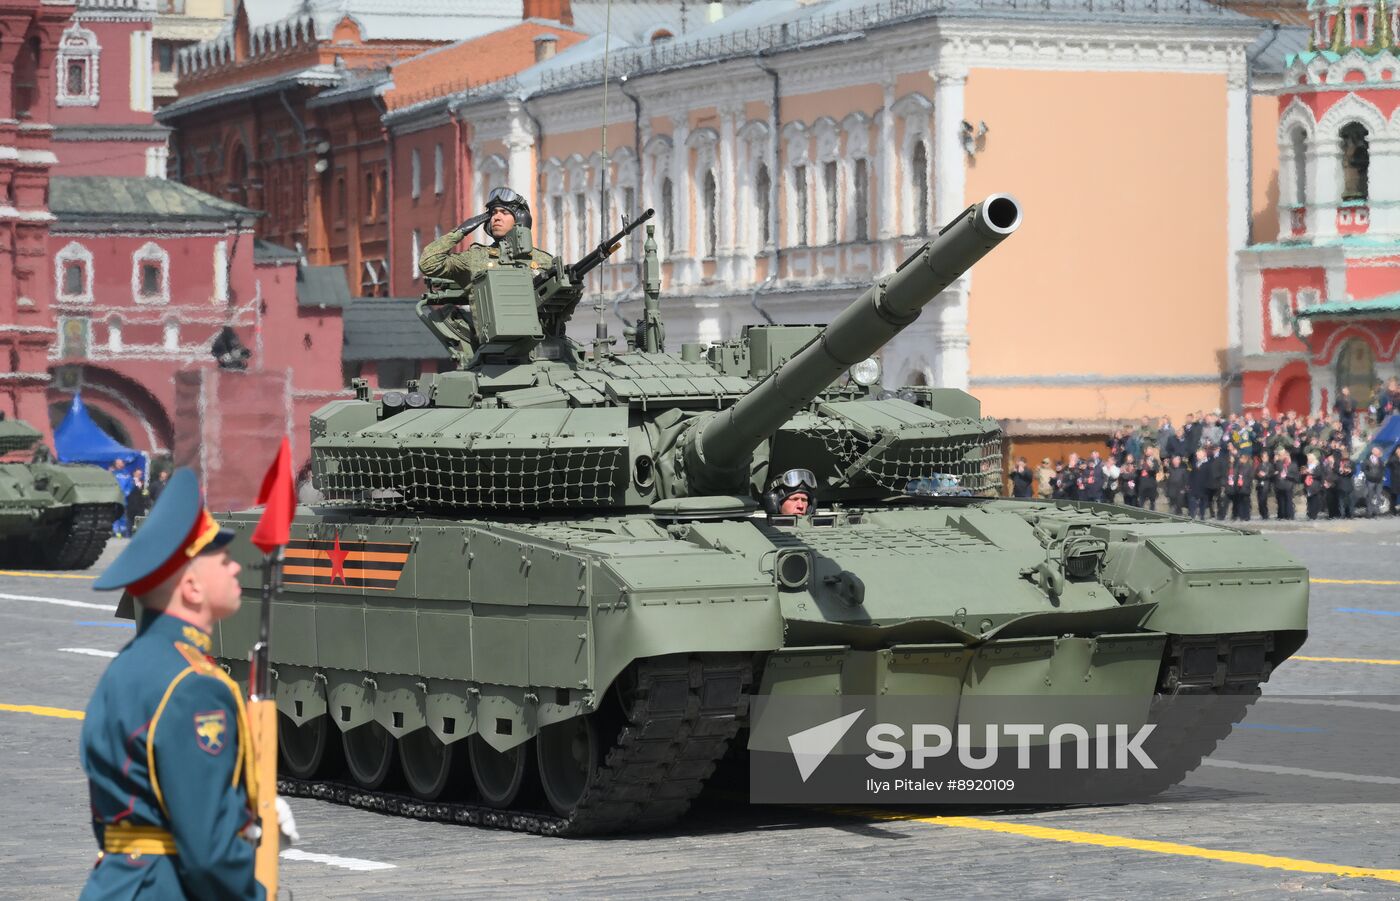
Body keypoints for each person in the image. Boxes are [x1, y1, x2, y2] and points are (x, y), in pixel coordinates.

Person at [80, 468, 297, 901]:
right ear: (192, 587)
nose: (236, 565)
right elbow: (208, 852)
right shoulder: (195, 686)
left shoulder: (131, 666)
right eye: (221, 558)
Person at [417, 187, 554, 288]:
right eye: (493, 213)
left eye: (504, 212)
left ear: (520, 219)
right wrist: (460, 231)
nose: (496, 218)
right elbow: (428, 264)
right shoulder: (476, 257)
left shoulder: (543, 260)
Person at [1363, 445, 1386, 517]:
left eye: (1379, 451)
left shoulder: (1380, 460)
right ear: (1373, 452)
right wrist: (1369, 476)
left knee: (1378, 496)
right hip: (1370, 480)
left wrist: (1381, 476)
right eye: (1377, 451)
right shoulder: (1367, 460)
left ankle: (1377, 512)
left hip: (1379, 481)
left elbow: (1383, 469)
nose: (1379, 452)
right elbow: (1364, 470)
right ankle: (1369, 512)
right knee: (1370, 496)